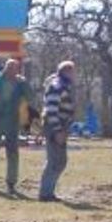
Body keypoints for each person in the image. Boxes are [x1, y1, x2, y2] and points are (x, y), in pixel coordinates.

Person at [0, 59, 34, 195]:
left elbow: (30, 96)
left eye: (14, 69)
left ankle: (11, 182)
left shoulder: (21, 83)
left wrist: (25, 83)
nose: (10, 71)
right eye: (9, 68)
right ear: (5, 68)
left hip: (12, 121)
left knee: (13, 152)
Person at [39, 60, 77, 202]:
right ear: (67, 71)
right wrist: (57, 131)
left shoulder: (64, 85)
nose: (75, 74)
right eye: (73, 71)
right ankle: (45, 193)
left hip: (61, 126)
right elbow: (51, 110)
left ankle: (49, 192)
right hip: (55, 126)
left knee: (60, 160)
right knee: (55, 160)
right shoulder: (57, 86)